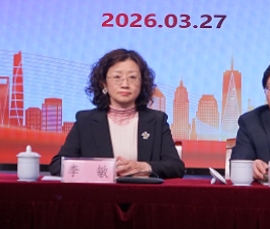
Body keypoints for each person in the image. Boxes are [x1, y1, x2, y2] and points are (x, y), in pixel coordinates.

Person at [49, 49, 184, 179]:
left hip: (143, 193)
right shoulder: (86, 121)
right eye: (117, 77)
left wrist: (145, 167)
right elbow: (57, 165)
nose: (125, 84)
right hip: (100, 193)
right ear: (104, 84)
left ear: (142, 83)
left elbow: (176, 167)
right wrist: (102, 169)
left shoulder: (157, 121)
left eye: (132, 77)